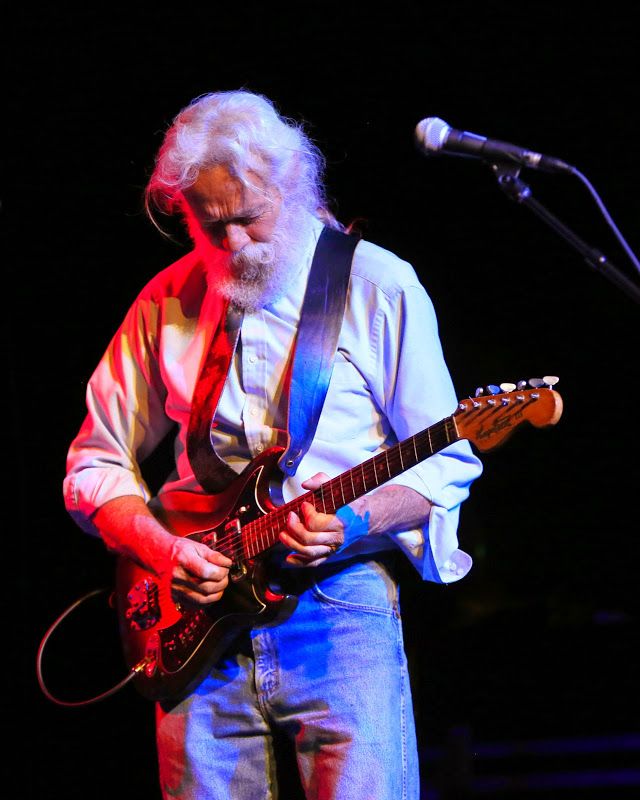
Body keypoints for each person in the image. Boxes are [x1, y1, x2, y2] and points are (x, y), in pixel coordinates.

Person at [63, 89, 483, 800]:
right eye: (209, 225)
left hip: (339, 602)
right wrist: (162, 551)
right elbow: (94, 461)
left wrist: (355, 519)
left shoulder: (378, 285)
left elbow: (444, 462)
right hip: (193, 621)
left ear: (294, 187)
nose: (232, 245)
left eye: (248, 217)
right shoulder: (165, 300)